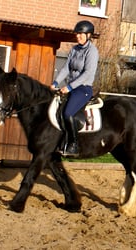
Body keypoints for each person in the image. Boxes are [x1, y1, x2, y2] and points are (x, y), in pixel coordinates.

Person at [51, 20, 99, 157]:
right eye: (77, 34)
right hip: (71, 88)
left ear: (89, 35)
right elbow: (66, 68)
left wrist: (70, 87)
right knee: (57, 110)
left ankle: (74, 144)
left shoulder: (92, 52)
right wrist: (55, 82)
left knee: (68, 113)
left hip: (83, 89)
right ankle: (61, 141)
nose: (78, 36)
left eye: (81, 34)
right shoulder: (74, 49)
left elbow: (88, 73)